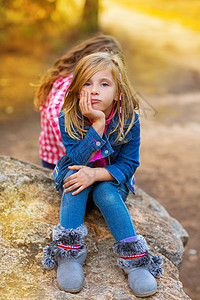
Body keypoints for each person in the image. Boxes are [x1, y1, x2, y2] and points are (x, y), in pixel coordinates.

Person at [42, 52, 163, 297]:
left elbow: (129, 164)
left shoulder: (129, 120)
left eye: (104, 84)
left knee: (105, 192)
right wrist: (97, 125)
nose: (94, 90)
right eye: (87, 83)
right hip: (77, 173)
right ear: (77, 90)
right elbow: (77, 159)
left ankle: (136, 260)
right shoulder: (68, 116)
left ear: (118, 92)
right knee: (76, 181)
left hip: (111, 180)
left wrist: (97, 174)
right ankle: (69, 253)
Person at [34, 34, 123, 170]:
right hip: (58, 158)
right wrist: (74, 140)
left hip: (65, 153)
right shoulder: (73, 80)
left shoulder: (82, 78)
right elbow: (55, 109)